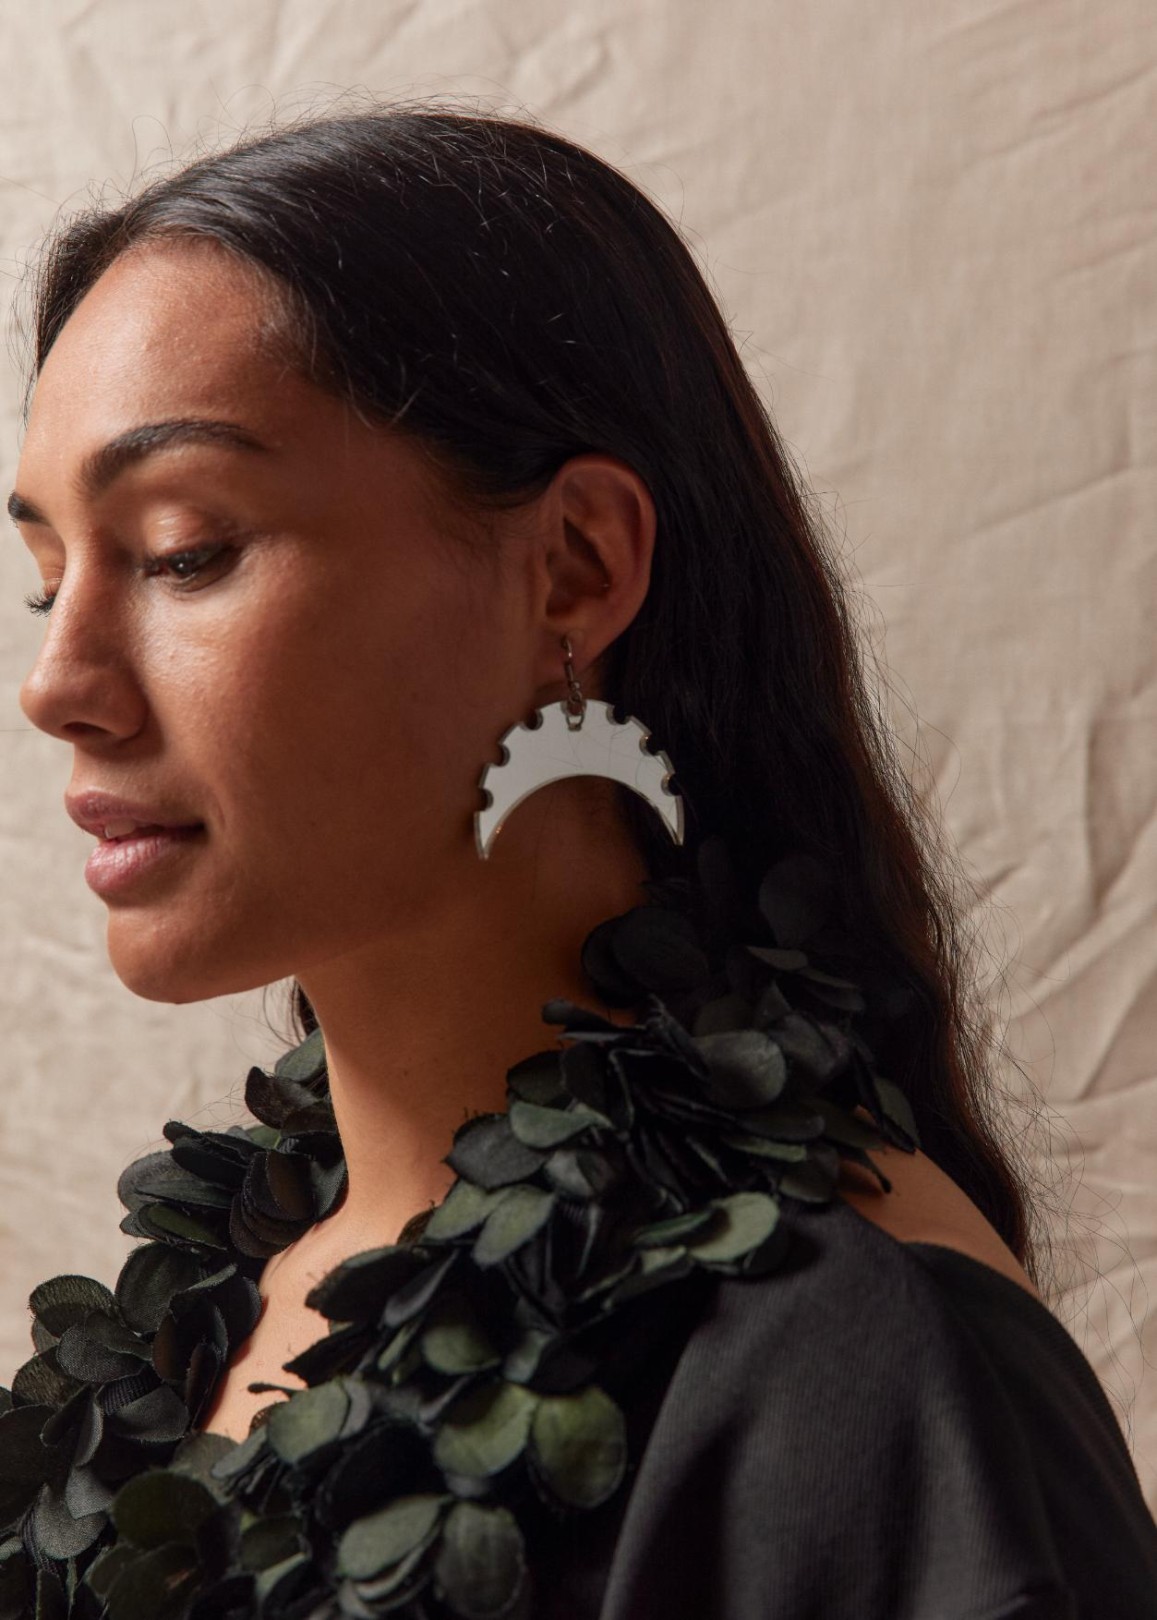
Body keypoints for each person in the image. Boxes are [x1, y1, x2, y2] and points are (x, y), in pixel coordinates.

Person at [1, 100, 1154, 1620]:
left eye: (183, 549)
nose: (57, 682)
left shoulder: (862, 1372)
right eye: (41, 577)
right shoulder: (213, 1322)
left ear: (577, 566)